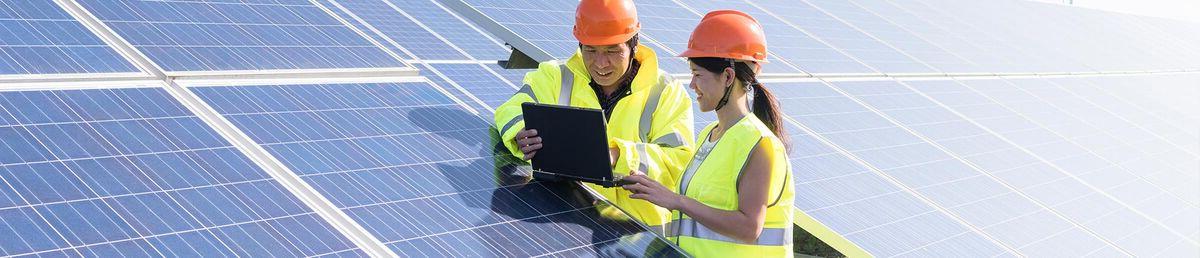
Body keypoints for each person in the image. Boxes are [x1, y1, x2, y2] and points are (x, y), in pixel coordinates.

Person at [493, 0, 695, 229]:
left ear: (634, 44)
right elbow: (510, 109)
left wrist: (618, 155)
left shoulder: (666, 92)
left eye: (612, 51)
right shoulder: (555, 75)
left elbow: (680, 162)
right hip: (564, 222)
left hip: (635, 234)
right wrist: (519, 131)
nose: (601, 63)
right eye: (590, 51)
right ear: (580, 46)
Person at [620, 10, 795, 257]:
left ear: (727, 76)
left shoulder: (760, 145)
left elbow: (749, 227)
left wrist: (675, 200)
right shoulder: (709, 136)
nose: (692, 85)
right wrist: (654, 189)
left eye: (697, 75)